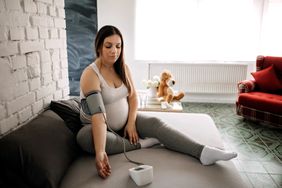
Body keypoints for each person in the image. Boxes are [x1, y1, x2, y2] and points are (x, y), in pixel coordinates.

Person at [76, 25, 237, 179]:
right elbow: (98, 115)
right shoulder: (90, 75)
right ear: (99, 47)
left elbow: (132, 97)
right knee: (84, 138)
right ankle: (142, 144)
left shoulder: (123, 67)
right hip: (100, 129)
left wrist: (131, 123)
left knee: (155, 123)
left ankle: (203, 152)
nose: (114, 51)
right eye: (108, 46)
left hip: (125, 122)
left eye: (118, 46)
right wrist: (100, 152)